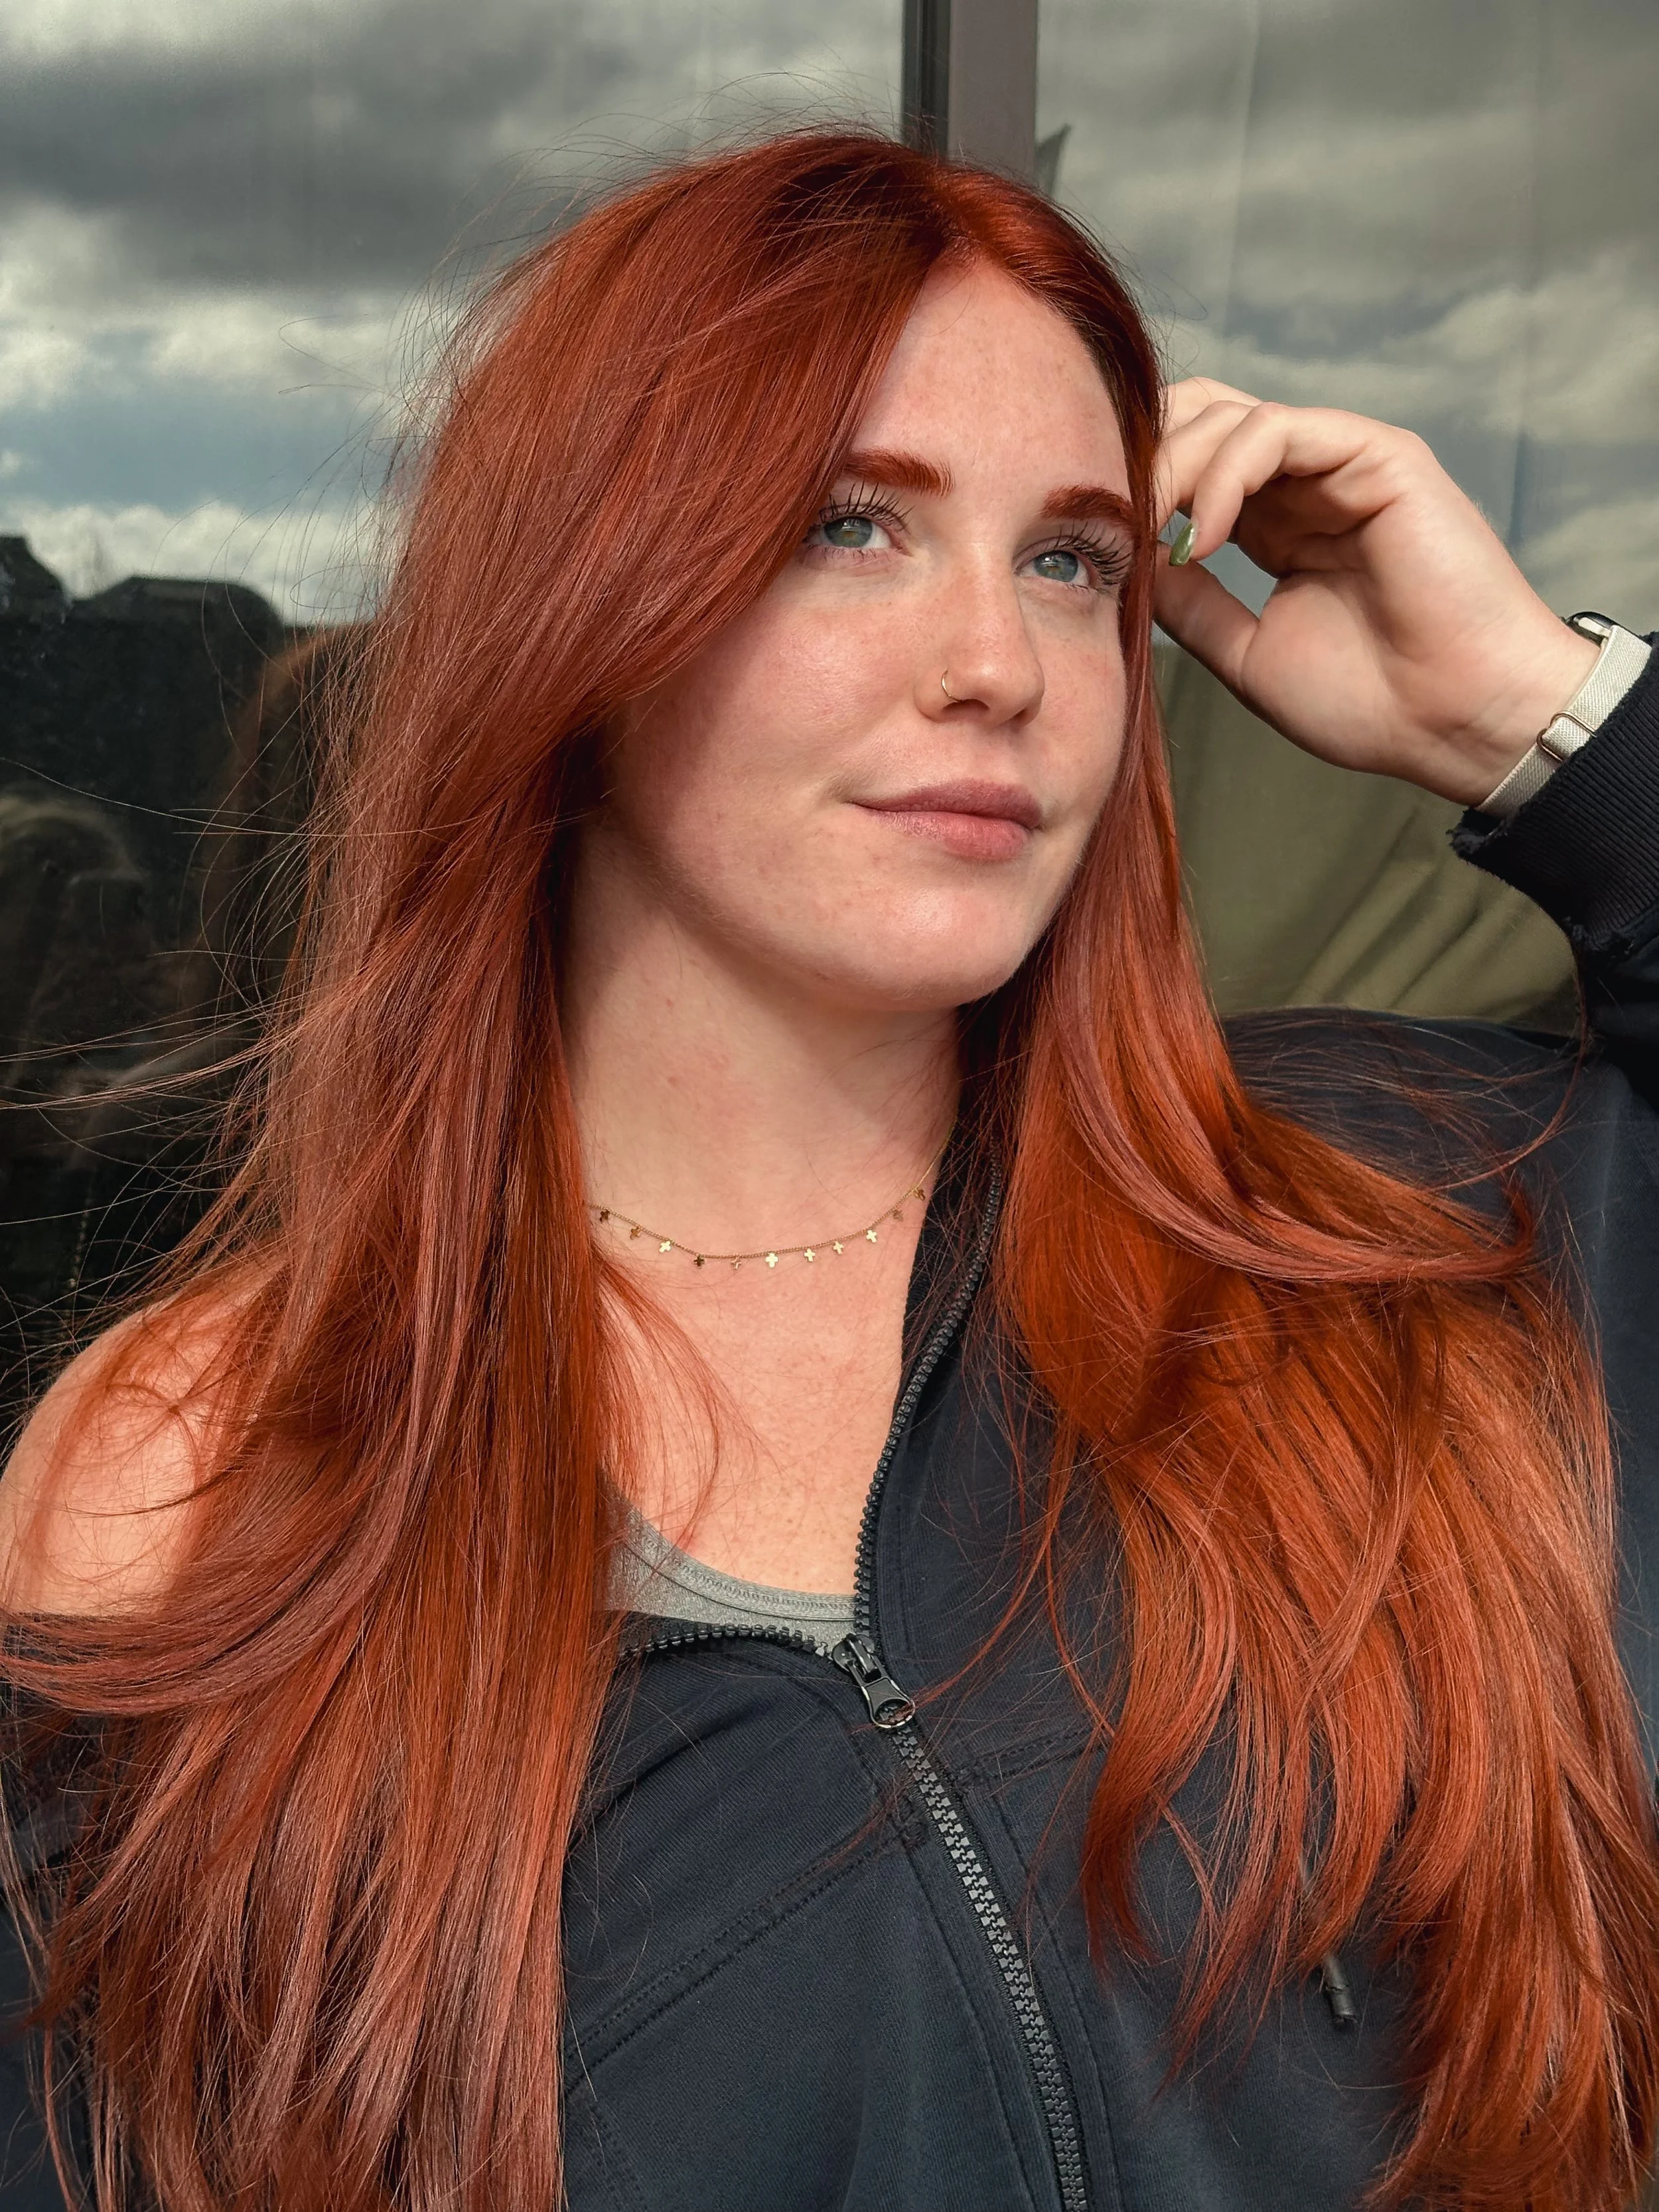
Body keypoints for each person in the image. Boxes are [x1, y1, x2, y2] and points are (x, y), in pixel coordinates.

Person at [0, 129, 1655, 2212]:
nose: (998, 661)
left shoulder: (1394, 1223)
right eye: (849, 525)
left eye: (1070, 557)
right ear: (579, 608)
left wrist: (1538, 714)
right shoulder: (208, 1460)